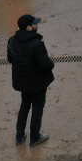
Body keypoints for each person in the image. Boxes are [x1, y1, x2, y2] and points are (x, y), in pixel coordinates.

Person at [8, 14, 54, 146]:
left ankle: (19, 135)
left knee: (24, 106)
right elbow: (45, 64)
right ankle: (34, 137)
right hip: (37, 83)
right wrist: (52, 63)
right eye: (35, 24)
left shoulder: (12, 40)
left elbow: (10, 59)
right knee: (37, 109)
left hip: (22, 83)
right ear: (29, 28)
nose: (37, 25)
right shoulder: (36, 43)